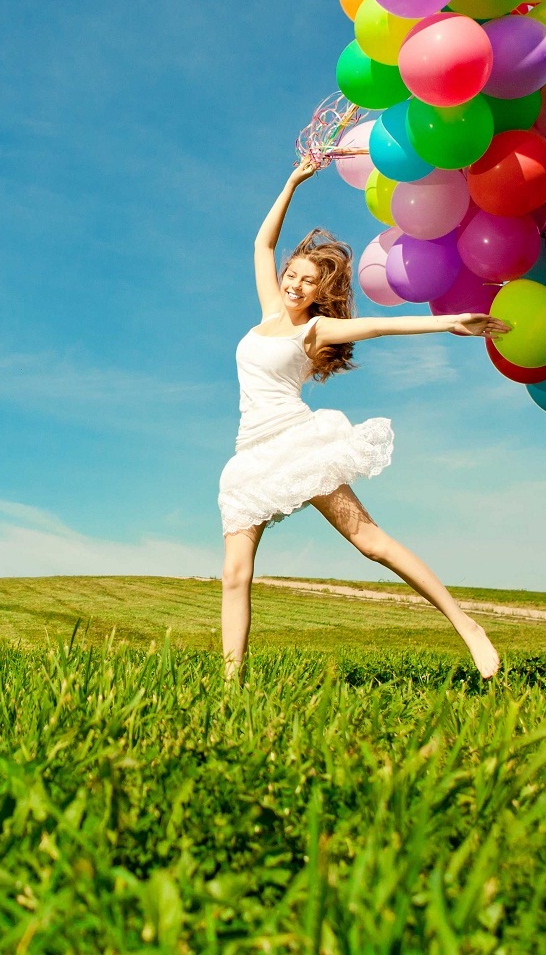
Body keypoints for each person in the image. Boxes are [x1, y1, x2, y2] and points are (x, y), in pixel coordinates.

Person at [218, 155, 509, 681]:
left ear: (319, 292)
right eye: (293, 274)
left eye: (308, 282)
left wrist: (449, 324)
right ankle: (230, 684)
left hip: (296, 443)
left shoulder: (315, 331)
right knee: (234, 574)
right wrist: (291, 181)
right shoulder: (266, 312)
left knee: (371, 542)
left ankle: (468, 627)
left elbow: (378, 326)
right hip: (249, 456)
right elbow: (262, 245)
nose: (295, 284)